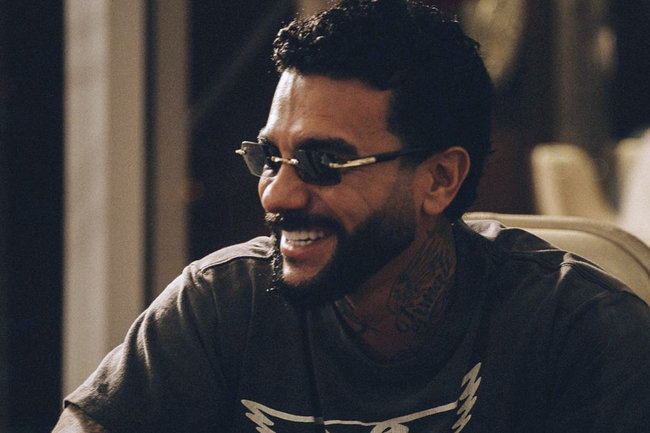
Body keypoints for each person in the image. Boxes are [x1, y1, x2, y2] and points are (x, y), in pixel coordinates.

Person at [54, 0, 650, 432]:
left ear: (439, 179)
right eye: (271, 158)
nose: (277, 194)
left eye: (323, 161)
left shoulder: (580, 330)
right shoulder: (219, 305)